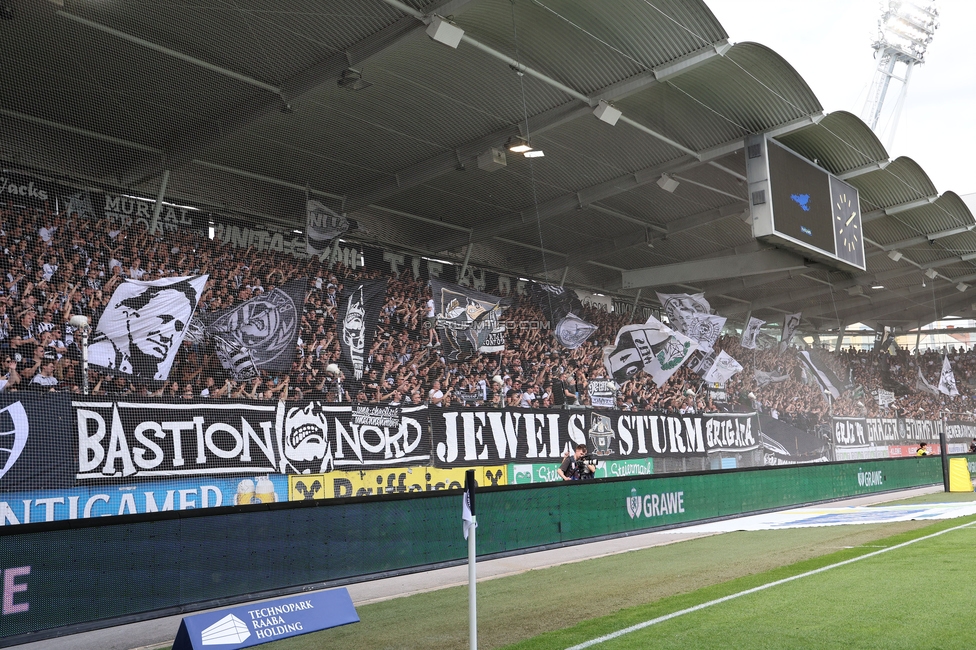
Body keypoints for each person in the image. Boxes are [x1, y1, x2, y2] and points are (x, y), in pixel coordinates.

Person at [88, 278, 199, 380]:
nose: (167, 336)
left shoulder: (157, 373)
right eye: (164, 319)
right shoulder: (98, 354)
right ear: (132, 315)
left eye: (179, 327)